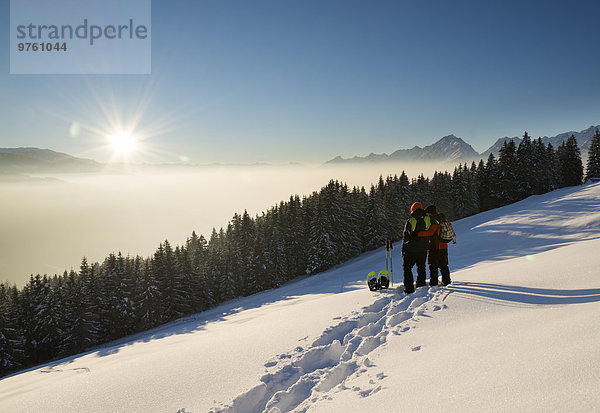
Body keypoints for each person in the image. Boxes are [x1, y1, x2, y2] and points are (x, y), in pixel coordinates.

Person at [401, 202, 431, 293]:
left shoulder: (411, 220)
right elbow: (428, 231)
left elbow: (406, 236)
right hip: (423, 248)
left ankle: (409, 288)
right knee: (421, 266)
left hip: (411, 249)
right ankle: (421, 284)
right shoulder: (427, 218)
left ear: (412, 210)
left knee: (407, 268)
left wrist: (404, 249)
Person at [418, 205, 452, 286]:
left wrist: (418, 234)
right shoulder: (442, 218)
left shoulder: (434, 220)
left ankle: (434, 283)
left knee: (433, 265)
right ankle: (446, 281)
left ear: (430, 213)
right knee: (444, 265)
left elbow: (430, 232)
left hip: (435, 246)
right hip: (444, 246)